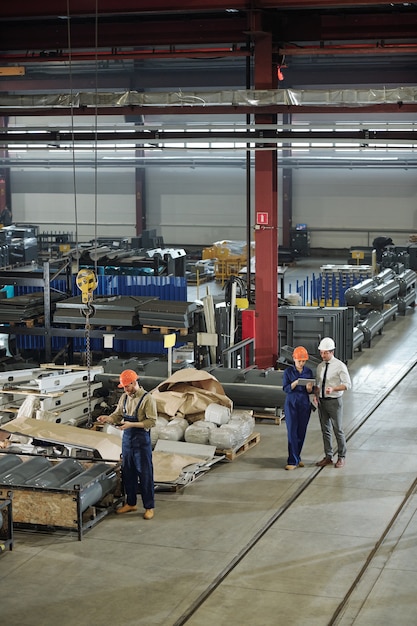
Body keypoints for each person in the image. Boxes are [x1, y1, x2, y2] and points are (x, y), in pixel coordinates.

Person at [97, 369, 157, 519]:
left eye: (127, 386)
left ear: (134, 382)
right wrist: (108, 419)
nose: (125, 389)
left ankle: (149, 506)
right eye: (123, 387)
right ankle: (131, 503)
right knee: (128, 473)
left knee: (145, 475)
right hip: (127, 442)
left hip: (141, 442)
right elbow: (117, 415)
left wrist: (131, 425)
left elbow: (151, 422)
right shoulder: (124, 397)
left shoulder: (147, 399)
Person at [315, 337, 352, 469]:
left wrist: (334, 389)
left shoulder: (339, 366)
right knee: (325, 430)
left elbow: (348, 385)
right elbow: (318, 384)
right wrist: (316, 395)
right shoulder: (320, 367)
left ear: (332, 352)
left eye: (325, 353)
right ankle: (328, 456)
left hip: (334, 402)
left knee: (338, 430)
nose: (323, 355)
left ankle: (341, 457)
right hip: (322, 402)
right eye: (321, 352)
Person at [282, 346, 314, 470]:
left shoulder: (308, 372)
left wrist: (309, 389)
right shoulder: (288, 372)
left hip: (304, 404)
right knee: (292, 432)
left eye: (303, 361)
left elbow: (310, 391)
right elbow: (285, 388)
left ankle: (297, 457)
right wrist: (294, 383)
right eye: (299, 361)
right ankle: (292, 460)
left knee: (301, 432)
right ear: (294, 359)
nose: (301, 363)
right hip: (292, 404)